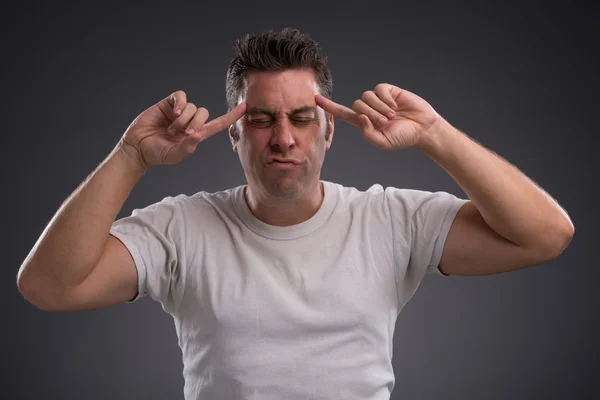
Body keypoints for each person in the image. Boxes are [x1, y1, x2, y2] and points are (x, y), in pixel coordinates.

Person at [16, 28, 574, 399]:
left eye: (303, 117)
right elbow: (49, 287)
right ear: (233, 133)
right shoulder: (180, 230)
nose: (283, 138)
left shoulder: (390, 220)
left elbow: (545, 236)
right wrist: (131, 156)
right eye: (261, 119)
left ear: (330, 129)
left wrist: (436, 136)